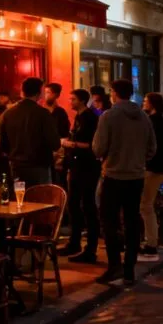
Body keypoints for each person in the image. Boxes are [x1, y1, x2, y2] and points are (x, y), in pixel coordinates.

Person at [92, 79, 156, 286]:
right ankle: (129, 267)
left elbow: (98, 148)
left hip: (113, 175)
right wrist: (138, 160)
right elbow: (152, 148)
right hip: (136, 177)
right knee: (131, 221)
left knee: (109, 221)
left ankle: (114, 266)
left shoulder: (108, 116)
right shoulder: (144, 117)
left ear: (114, 93)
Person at [60, 89, 101, 262]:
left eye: (73, 99)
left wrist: (71, 143)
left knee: (88, 206)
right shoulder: (78, 117)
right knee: (73, 204)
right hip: (76, 166)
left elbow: (92, 145)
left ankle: (90, 248)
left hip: (87, 167)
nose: (70, 102)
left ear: (83, 101)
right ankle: (74, 242)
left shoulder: (90, 118)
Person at [0, 78, 61, 187]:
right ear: (39, 93)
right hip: (40, 166)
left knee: (20, 199)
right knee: (41, 200)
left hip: (17, 165)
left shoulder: (7, 113)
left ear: (22, 92)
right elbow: (55, 144)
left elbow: (2, 143)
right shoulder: (43, 114)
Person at [139, 92, 163, 262]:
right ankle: (150, 240)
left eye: (145, 101)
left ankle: (151, 243)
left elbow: (149, 145)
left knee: (145, 205)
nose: (143, 103)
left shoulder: (151, 122)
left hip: (151, 168)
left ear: (152, 104)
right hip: (159, 168)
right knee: (147, 205)